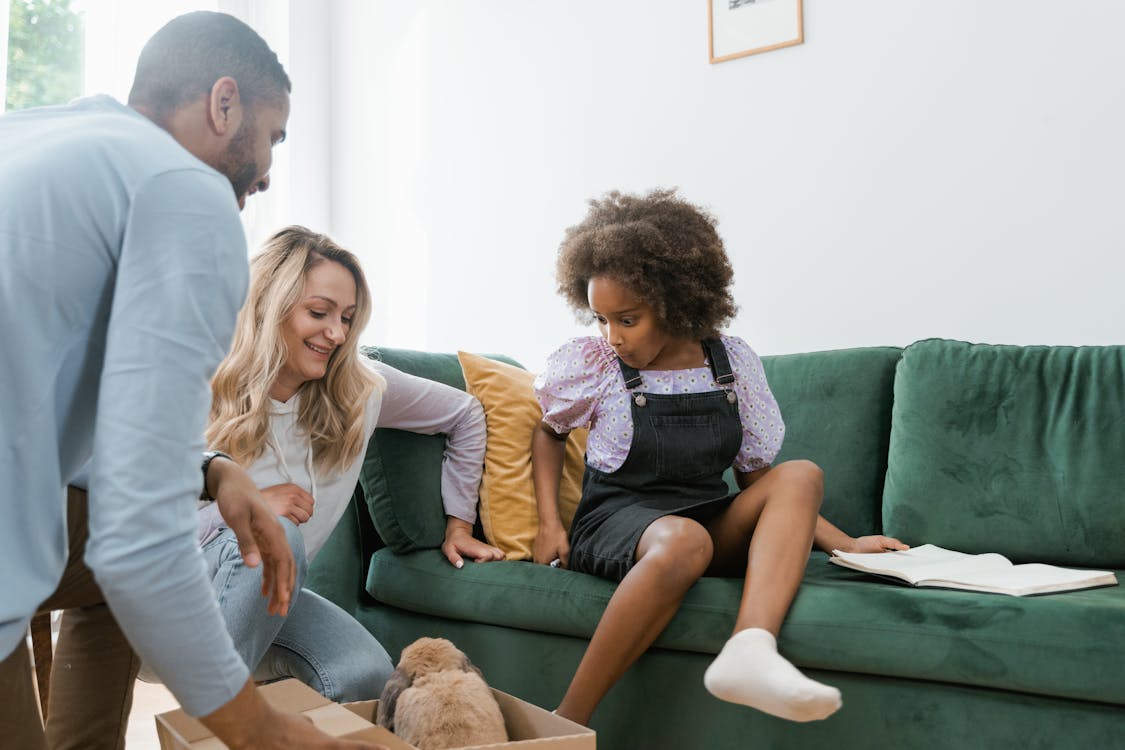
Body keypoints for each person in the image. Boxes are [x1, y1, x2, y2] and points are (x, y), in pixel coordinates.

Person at [0, 11, 383, 750]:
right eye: (271, 135)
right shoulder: (186, 192)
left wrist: (210, 469)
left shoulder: (38, 138)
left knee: (87, 569)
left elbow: (38, 408)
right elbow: (137, 538)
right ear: (223, 102)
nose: (268, 170)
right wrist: (261, 731)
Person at [531, 188, 908, 727]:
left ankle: (750, 650)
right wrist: (550, 523)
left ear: (674, 301)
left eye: (628, 319)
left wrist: (846, 545)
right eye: (600, 319)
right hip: (618, 522)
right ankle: (566, 720)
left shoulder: (731, 363)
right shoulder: (596, 364)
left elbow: (757, 478)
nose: (612, 336)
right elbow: (548, 432)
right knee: (686, 541)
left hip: (704, 520)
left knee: (800, 474)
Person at [196, 225, 503, 701]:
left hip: (274, 592)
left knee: (364, 677)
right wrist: (248, 505)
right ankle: (212, 717)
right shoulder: (199, 382)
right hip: (174, 600)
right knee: (276, 531)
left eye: (347, 317)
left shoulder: (359, 390)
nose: (337, 333)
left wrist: (459, 523)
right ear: (267, 305)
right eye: (318, 313)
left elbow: (464, 414)